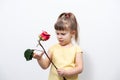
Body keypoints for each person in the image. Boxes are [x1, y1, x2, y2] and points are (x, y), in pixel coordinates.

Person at [33, 12, 83, 80]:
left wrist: (67, 72)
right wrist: (40, 59)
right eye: (57, 33)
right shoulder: (53, 48)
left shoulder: (76, 49)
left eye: (63, 34)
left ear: (72, 33)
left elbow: (80, 68)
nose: (59, 37)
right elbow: (45, 66)